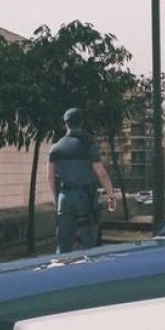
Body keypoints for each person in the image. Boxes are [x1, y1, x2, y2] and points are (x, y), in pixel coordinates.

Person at [48, 107, 115, 253]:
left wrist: (56, 199)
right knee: (89, 242)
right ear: (81, 123)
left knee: (63, 243)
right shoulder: (89, 146)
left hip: (64, 198)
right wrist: (111, 195)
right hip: (85, 197)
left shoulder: (55, 149)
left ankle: (63, 272)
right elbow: (101, 174)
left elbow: (51, 177)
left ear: (66, 124)